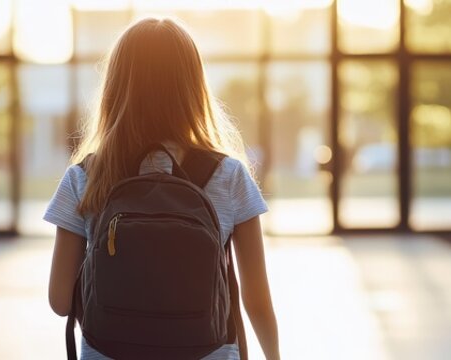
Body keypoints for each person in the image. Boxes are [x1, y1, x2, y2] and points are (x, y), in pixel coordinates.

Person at [44, 17, 280, 360]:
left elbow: (60, 300)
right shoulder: (229, 175)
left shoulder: (86, 177)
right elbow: (256, 300)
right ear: (193, 86)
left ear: (115, 86)